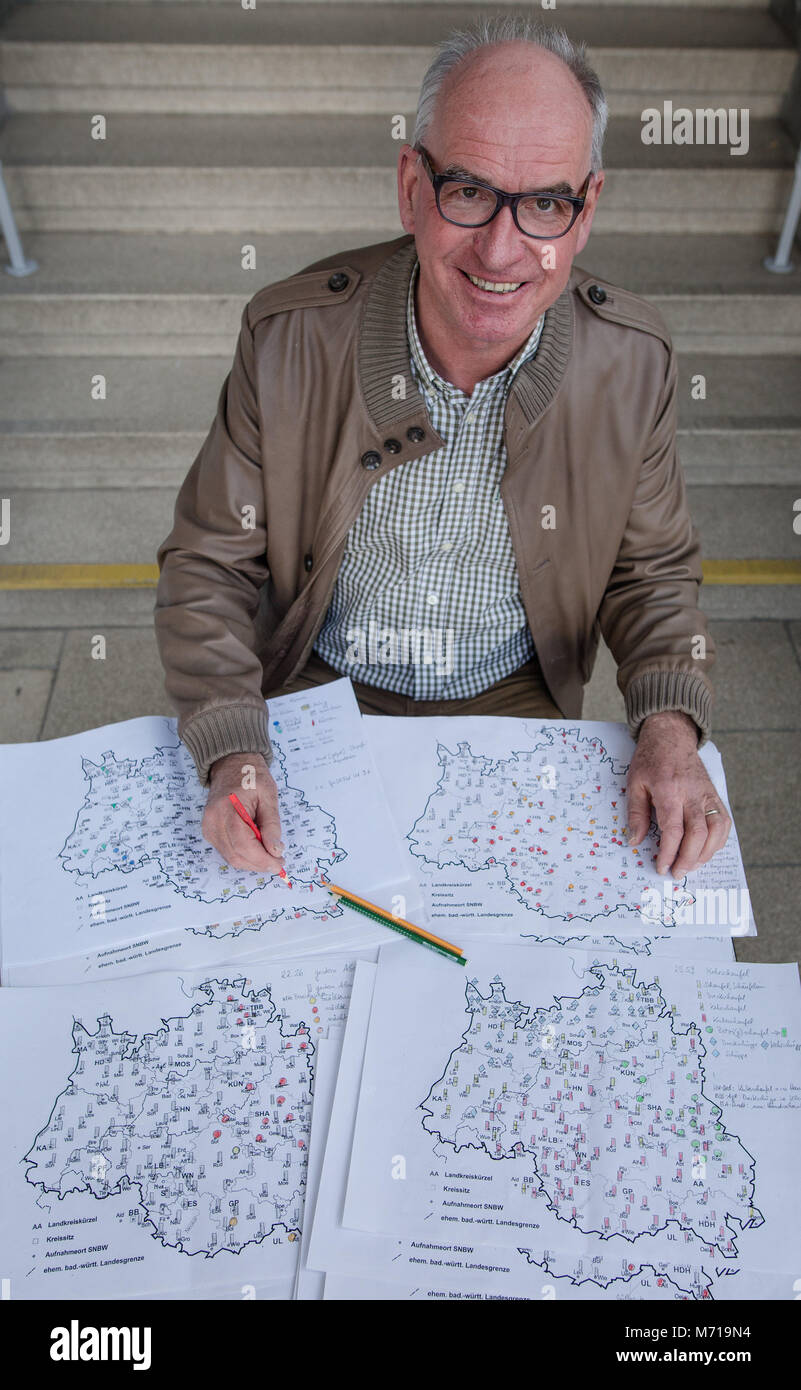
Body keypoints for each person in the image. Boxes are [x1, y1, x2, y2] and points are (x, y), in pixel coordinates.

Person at [155, 17, 732, 885]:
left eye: (544, 203)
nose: (501, 251)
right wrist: (234, 747)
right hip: (317, 685)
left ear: (586, 213)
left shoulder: (631, 360)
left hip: (515, 691)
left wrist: (669, 729)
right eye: (467, 190)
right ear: (411, 187)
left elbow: (649, 578)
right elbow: (207, 566)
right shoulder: (290, 337)